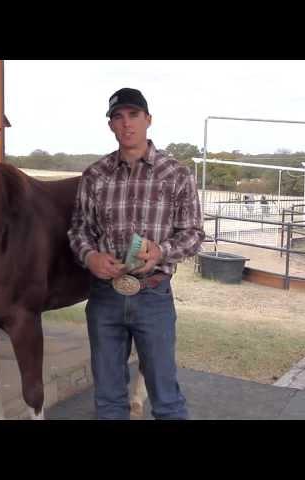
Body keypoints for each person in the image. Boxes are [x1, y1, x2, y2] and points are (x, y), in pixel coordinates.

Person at [68, 88, 205, 420]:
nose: (126, 124)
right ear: (111, 126)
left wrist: (161, 252)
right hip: (104, 298)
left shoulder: (176, 174)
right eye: (118, 117)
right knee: (109, 399)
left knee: (166, 398)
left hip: (153, 295)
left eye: (133, 115)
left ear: (148, 120)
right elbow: (79, 229)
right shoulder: (94, 175)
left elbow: (194, 234)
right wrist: (89, 257)